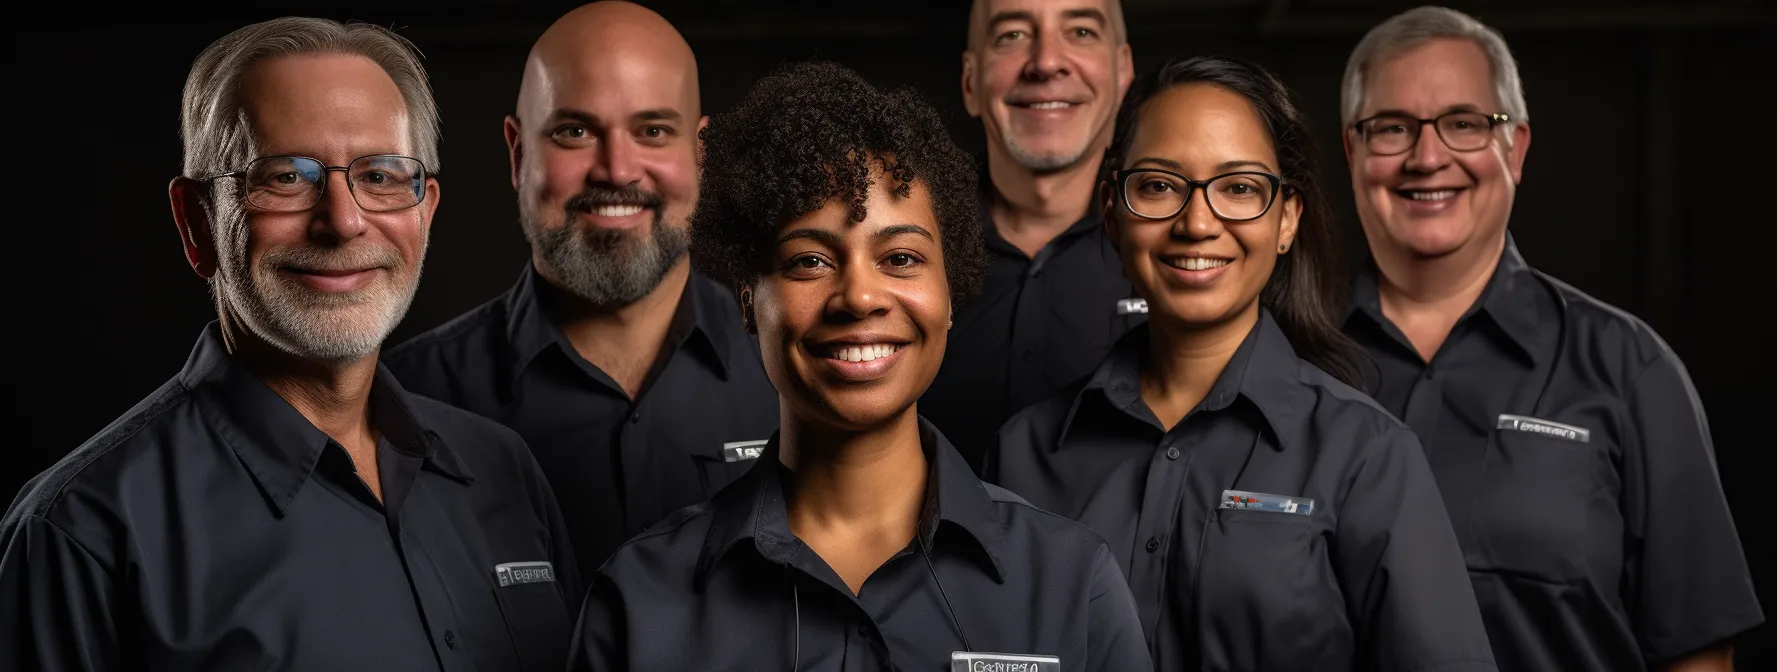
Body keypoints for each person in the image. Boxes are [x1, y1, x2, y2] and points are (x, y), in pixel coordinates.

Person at [0, 17, 578, 671]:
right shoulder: (83, 532)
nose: (344, 220)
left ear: (426, 211)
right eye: (284, 177)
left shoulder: (503, 472)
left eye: (382, 176)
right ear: (196, 223)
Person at [569, 61, 1151, 670]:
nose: (859, 296)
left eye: (900, 257)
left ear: (950, 296)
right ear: (748, 299)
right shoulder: (640, 600)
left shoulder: (1071, 583)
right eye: (809, 262)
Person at [985, 56, 1497, 671]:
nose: (1197, 223)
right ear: (1113, 213)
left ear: (1286, 220)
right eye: (1158, 186)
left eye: (1239, 189)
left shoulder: (1367, 456)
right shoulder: (1022, 454)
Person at [1337, 7, 1762, 671]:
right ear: (1352, 151)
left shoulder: (1629, 371)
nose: (1427, 156)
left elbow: (1698, 652)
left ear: (1516, 149)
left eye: (1464, 123)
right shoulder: (1284, 360)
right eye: (1391, 128)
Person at [384, 1, 777, 579]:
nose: (617, 170)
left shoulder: (794, 373)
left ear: (700, 154)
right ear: (519, 154)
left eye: (652, 131)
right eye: (575, 131)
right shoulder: (404, 403)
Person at [920, 0, 1141, 466]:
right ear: (970, 82)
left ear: (1123, 73)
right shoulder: (900, 253)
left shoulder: (1179, 253)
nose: (1045, 63)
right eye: (1012, 35)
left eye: (1080, 31)